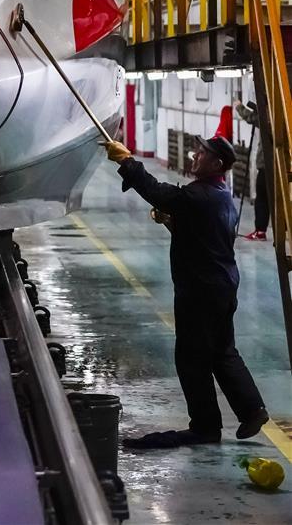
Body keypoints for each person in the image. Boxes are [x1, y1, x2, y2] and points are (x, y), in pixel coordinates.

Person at [105, 134, 269, 449]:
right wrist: (174, 222)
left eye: (201, 153)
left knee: (191, 357)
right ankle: (252, 409)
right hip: (221, 285)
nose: (194, 155)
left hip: (201, 290)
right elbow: (204, 233)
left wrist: (127, 161)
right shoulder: (221, 195)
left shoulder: (199, 196)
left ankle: (205, 427)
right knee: (222, 351)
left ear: (217, 163)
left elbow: (157, 192)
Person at [235, 100, 269, 241]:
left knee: (262, 198)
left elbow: (251, 118)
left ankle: (260, 230)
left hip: (266, 165)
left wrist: (238, 106)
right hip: (280, 165)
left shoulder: (268, 115)